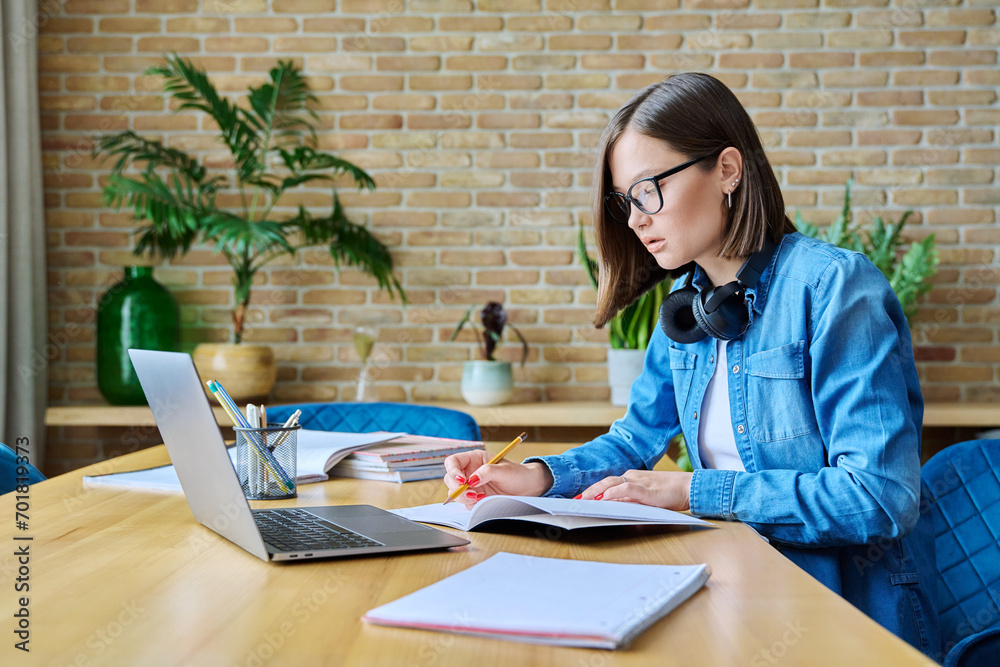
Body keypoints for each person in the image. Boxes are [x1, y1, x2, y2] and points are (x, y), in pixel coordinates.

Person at [444, 72, 940, 659]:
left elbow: (877, 498)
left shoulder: (835, 288)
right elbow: (634, 441)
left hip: (841, 610)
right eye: (625, 200)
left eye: (648, 190)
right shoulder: (688, 306)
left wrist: (693, 490)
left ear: (727, 169)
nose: (635, 219)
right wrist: (535, 478)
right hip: (730, 586)